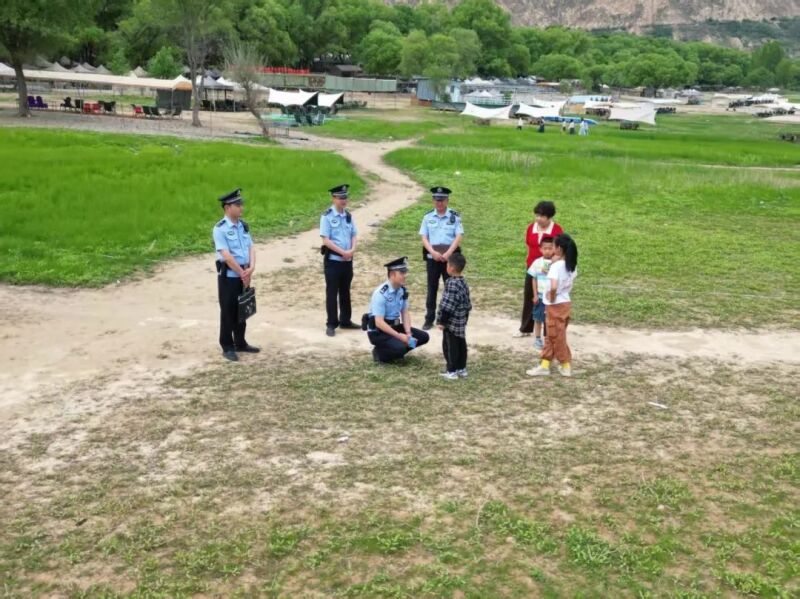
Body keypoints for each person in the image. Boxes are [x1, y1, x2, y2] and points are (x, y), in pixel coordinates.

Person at [213, 188, 259, 362]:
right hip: (230, 277)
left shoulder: (243, 226)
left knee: (242, 310)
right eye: (237, 205)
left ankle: (240, 342)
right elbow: (226, 255)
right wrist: (242, 273)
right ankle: (227, 346)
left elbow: (251, 247)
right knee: (228, 311)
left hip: (244, 274)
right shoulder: (220, 229)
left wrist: (251, 267)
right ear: (227, 207)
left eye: (241, 204)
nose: (241, 207)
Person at [527, 233, 578, 378]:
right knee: (551, 335)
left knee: (557, 336)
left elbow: (554, 286)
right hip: (565, 302)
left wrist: (553, 295)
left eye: (554, 246)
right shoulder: (571, 265)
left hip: (555, 305)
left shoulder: (556, 267)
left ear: (559, 249)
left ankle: (565, 364)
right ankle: (545, 365)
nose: (552, 249)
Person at [365, 257, 430, 363]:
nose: (405, 275)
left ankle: (395, 349)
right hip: (379, 332)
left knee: (423, 337)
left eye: (405, 272)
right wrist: (399, 336)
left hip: (395, 327)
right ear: (392, 274)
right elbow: (379, 322)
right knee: (400, 347)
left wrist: (408, 333)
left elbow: (404, 312)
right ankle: (380, 354)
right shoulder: (380, 294)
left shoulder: (401, 290)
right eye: (402, 273)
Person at [515, 201, 563, 337]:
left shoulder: (557, 230)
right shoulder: (531, 228)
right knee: (530, 297)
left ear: (549, 217)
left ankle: (549, 333)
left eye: (542, 216)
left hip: (550, 270)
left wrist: (553, 261)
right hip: (533, 268)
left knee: (548, 299)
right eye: (537, 215)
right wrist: (531, 262)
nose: (538, 218)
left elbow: (561, 250)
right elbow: (529, 245)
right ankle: (525, 329)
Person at [419, 186, 464, 330]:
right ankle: (429, 319)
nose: (439, 203)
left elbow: (459, 236)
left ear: (447, 200)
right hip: (433, 257)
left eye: (442, 200)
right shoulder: (427, 217)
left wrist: (449, 253)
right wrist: (433, 252)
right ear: (433, 200)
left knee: (450, 288)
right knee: (431, 288)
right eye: (437, 200)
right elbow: (424, 237)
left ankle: (447, 318)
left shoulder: (454, 216)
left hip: (449, 259)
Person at [320, 183, 359, 337]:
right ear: (333, 198)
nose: (344, 200)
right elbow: (326, 240)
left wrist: (352, 250)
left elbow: (354, 234)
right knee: (332, 292)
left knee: (345, 291)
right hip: (333, 261)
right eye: (340, 198)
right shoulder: (327, 217)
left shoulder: (348, 216)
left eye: (345, 197)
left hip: (347, 261)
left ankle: (345, 320)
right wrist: (343, 252)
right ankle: (331, 323)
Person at [436, 253, 472, 380]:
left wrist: (442, 322)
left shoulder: (451, 283)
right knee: (461, 345)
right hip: (461, 321)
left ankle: (451, 371)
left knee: (450, 346)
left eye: (447, 264)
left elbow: (448, 305)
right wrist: (465, 318)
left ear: (451, 268)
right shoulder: (463, 282)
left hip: (451, 323)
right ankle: (462, 369)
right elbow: (468, 303)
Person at [526, 235, 555, 350]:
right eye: (545, 248)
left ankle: (549, 339)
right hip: (540, 296)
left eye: (550, 248)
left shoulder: (556, 263)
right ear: (540, 249)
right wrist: (535, 295)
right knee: (538, 319)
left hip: (551, 298)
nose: (547, 251)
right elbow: (534, 278)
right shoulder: (537, 263)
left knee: (550, 320)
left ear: (554, 249)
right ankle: (537, 339)